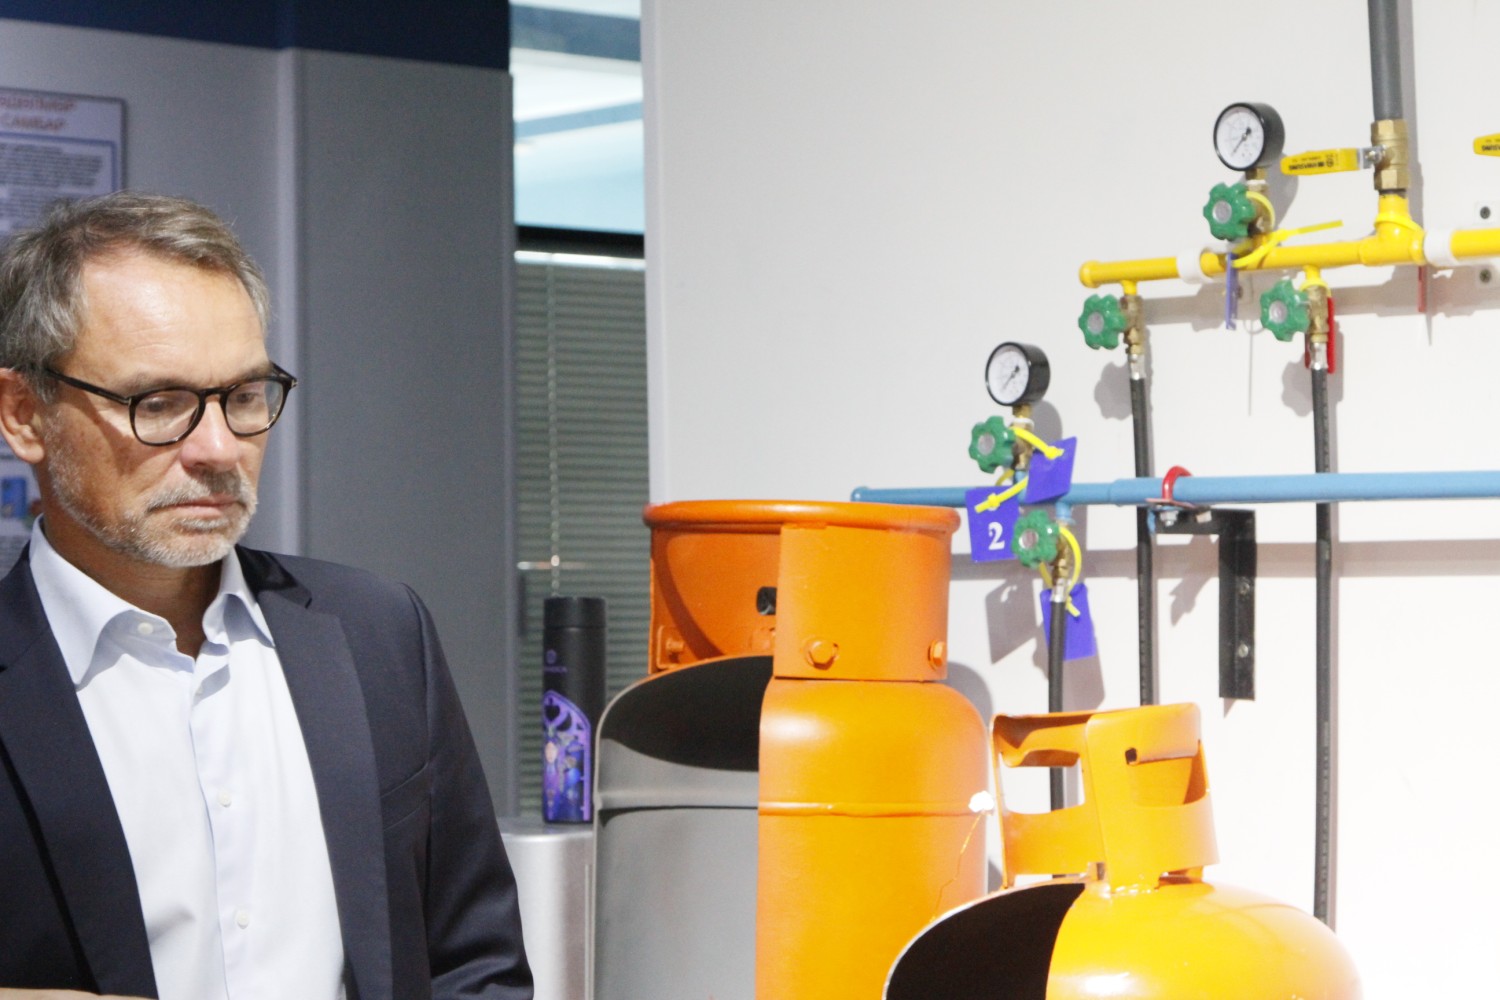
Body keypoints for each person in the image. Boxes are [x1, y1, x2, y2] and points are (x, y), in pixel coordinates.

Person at [0, 193, 532, 1000]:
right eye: (159, 404)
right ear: (24, 415)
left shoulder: (378, 632)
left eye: (245, 396)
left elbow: (472, 961)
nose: (219, 449)